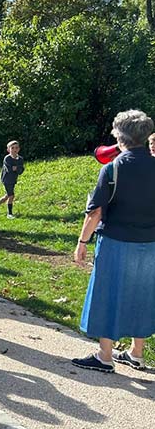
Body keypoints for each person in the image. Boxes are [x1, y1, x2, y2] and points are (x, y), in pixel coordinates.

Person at [71, 110, 155, 373]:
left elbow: (95, 212)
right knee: (143, 294)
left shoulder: (113, 168)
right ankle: (136, 353)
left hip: (116, 242)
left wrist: (82, 242)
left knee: (108, 294)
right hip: (150, 243)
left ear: (120, 137)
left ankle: (104, 356)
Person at [0, 140, 24, 219]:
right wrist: (16, 168)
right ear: (8, 149)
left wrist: (16, 168)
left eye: (16, 148)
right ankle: (9, 213)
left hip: (13, 179)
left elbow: (20, 170)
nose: (14, 150)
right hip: (6, 179)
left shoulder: (20, 159)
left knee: (7, 195)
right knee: (11, 196)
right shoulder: (7, 158)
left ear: (19, 149)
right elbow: (10, 169)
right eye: (12, 148)